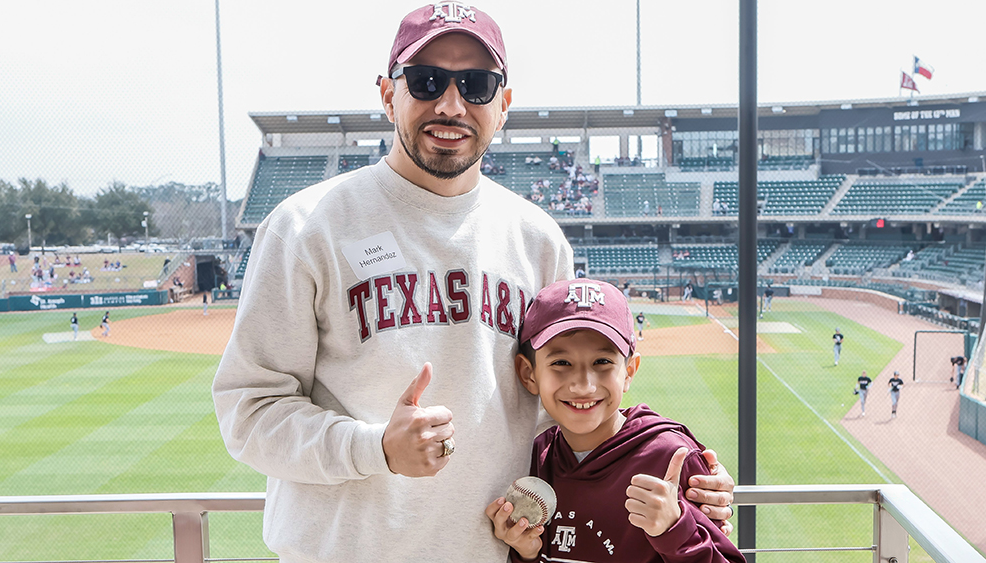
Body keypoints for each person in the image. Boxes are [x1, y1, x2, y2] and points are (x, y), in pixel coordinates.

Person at [212, 5, 733, 563]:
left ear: (503, 105)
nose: (452, 105)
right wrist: (374, 448)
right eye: (426, 80)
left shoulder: (538, 239)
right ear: (388, 93)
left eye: (478, 84)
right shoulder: (305, 226)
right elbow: (250, 411)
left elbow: (561, 405)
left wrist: (675, 470)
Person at [486, 279, 743, 562]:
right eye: (561, 363)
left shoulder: (671, 459)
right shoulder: (533, 458)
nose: (583, 385)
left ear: (629, 371)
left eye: (602, 363)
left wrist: (675, 531)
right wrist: (528, 555)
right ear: (528, 374)